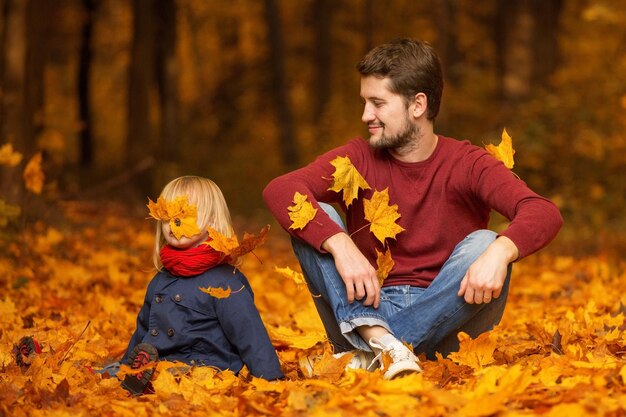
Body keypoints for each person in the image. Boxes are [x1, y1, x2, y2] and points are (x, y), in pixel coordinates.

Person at [263, 39, 563, 379]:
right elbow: (281, 189)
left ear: (417, 105)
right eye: (365, 102)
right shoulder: (356, 160)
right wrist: (340, 244)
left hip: (450, 322)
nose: (366, 115)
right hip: (365, 308)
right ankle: (381, 345)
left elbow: (542, 211)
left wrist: (501, 251)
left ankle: (375, 351)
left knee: (485, 242)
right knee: (318, 220)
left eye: (377, 103)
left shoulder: (468, 163)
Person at [119, 176, 283, 394]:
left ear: (213, 222)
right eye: (167, 216)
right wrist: (125, 367)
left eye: (185, 215)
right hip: (162, 361)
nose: (173, 224)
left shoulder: (225, 282)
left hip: (207, 368)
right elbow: (144, 328)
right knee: (132, 371)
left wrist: (270, 379)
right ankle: (137, 377)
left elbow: (249, 332)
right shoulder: (161, 279)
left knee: (179, 377)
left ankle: (154, 380)